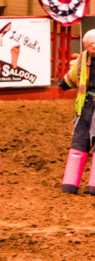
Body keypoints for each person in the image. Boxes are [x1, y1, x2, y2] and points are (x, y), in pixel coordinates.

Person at [60, 29, 95, 195]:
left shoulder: (82, 58)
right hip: (86, 108)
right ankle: (93, 187)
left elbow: (69, 79)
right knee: (79, 144)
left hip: (85, 108)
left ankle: (70, 185)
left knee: (78, 146)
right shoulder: (82, 59)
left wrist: (63, 84)